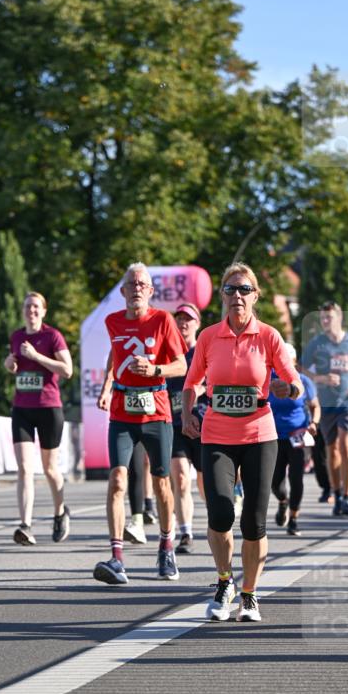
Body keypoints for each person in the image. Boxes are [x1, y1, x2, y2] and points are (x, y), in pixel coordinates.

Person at [182, 262, 302, 622]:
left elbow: (293, 381)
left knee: (254, 521)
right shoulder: (208, 337)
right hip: (216, 433)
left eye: (244, 290)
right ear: (222, 295)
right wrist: (188, 413)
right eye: (231, 289)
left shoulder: (268, 336)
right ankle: (224, 581)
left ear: (255, 296)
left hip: (259, 435)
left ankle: (249, 594)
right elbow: (192, 383)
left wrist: (287, 388)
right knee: (220, 511)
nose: (237, 296)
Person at [95, 262, 188, 584]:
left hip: (156, 411)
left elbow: (180, 365)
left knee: (162, 483)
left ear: (150, 291)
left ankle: (166, 546)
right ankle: (117, 557)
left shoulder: (163, 320)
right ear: (123, 291)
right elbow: (115, 355)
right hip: (122, 411)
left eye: (142, 284)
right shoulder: (112, 321)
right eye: (131, 283)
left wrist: (156, 370)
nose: (136, 288)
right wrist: (107, 387)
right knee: (118, 479)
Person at [4, 292, 73, 545]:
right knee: (24, 468)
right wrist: (9, 364)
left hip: (48, 408)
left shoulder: (52, 336)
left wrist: (36, 356)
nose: (31, 310)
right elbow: (15, 368)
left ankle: (60, 511)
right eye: (27, 307)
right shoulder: (16, 336)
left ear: (43, 311)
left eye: (35, 307)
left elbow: (67, 370)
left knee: (50, 468)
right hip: (22, 407)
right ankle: (25, 525)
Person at [302, 301, 348, 516]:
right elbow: (302, 367)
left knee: (345, 443)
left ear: (339, 318)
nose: (325, 321)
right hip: (326, 404)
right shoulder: (317, 343)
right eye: (323, 318)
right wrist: (320, 377)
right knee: (331, 450)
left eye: (329, 317)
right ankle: (337, 493)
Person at [269, 342, 321, 536]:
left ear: (294, 362)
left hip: (298, 435)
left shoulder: (304, 381)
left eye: (288, 362)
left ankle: (294, 518)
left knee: (296, 478)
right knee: (275, 482)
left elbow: (315, 406)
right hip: (274, 436)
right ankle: (283, 501)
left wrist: (314, 423)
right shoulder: (269, 380)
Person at [167, 302, 207, 554]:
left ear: (197, 324)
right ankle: (186, 533)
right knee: (180, 477)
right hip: (174, 423)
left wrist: (192, 396)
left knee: (205, 484)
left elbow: (212, 383)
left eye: (188, 319)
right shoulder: (167, 352)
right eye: (179, 318)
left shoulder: (203, 351)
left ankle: (223, 508)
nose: (183, 323)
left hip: (202, 422)